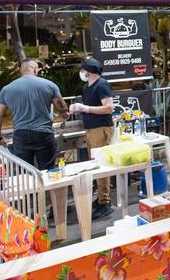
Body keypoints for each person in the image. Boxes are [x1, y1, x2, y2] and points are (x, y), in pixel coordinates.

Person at [0, 58, 68, 170]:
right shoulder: (49, 85)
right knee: (47, 170)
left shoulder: (6, 89)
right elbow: (62, 107)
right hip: (44, 134)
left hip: (21, 135)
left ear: (20, 70)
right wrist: (65, 114)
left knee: (24, 173)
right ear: (35, 70)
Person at [69, 58, 115, 220]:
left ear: (89, 72)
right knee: (95, 164)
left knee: (101, 164)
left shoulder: (102, 85)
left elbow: (109, 108)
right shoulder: (86, 87)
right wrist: (78, 108)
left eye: (83, 70)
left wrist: (86, 108)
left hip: (101, 128)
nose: (81, 73)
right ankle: (101, 198)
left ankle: (105, 202)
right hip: (91, 129)